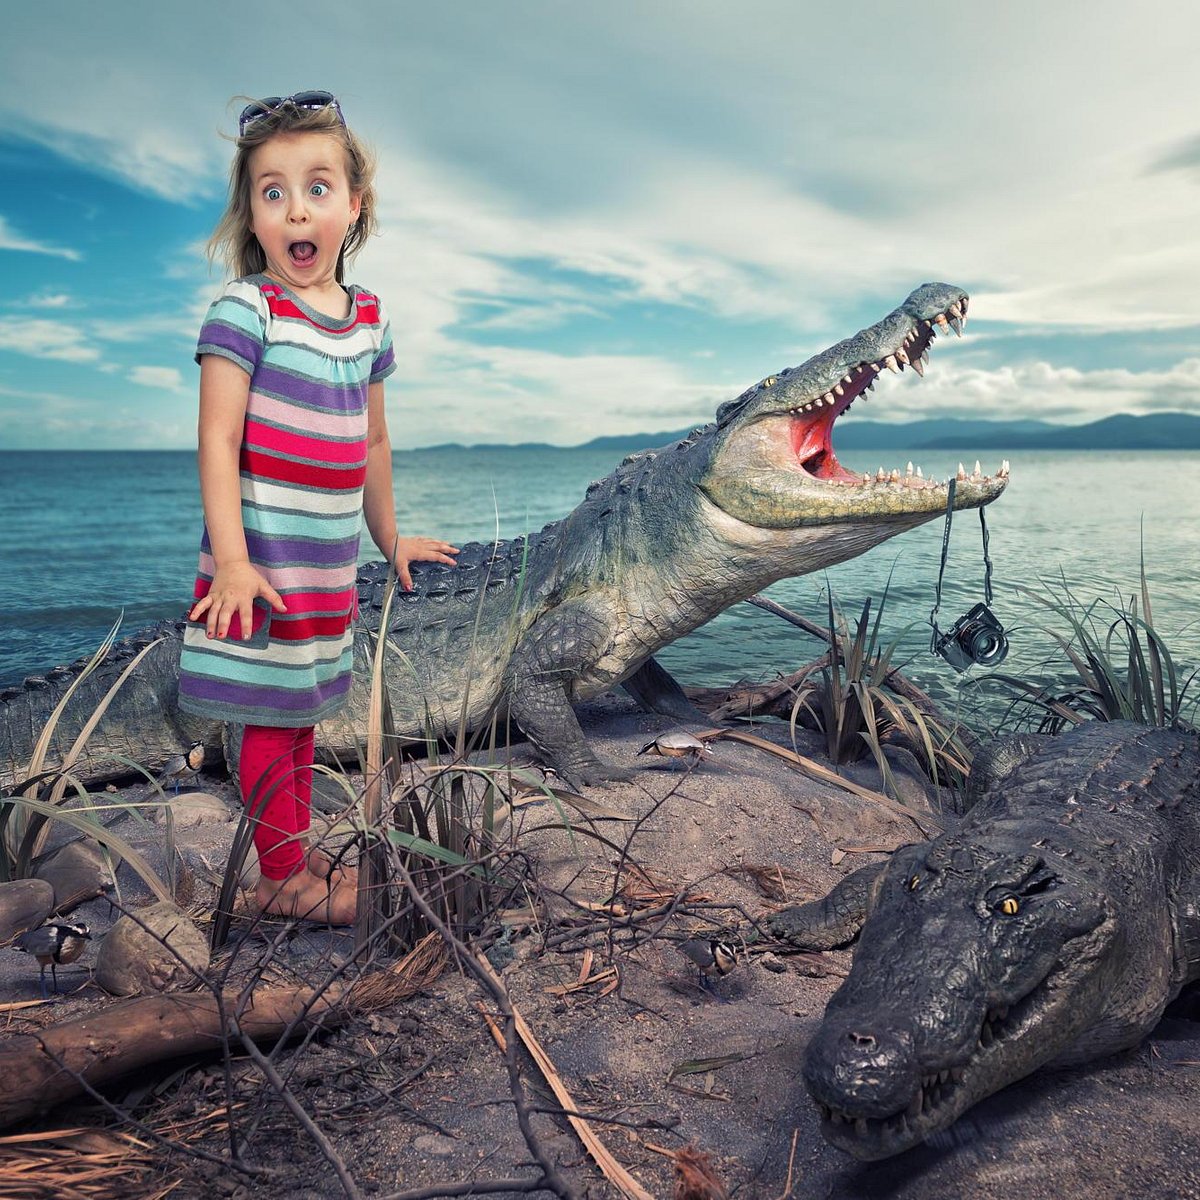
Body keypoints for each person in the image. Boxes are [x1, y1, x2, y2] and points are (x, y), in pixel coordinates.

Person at [178, 91, 458, 924]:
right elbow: (217, 442)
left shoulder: (368, 320)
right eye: (272, 191)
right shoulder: (246, 310)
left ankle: (286, 860)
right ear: (252, 217)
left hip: (327, 561)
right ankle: (284, 882)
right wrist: (231, 559)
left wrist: (391, 536)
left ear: (354, 206)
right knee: (268, 715)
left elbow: (371, 444)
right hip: (261, 561)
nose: (296, 207)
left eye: (317, 186)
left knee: (301, 713)